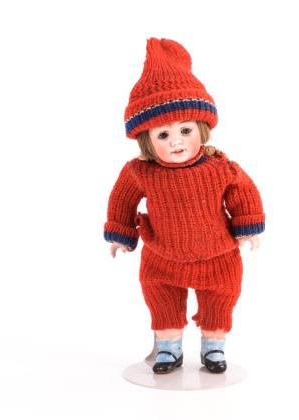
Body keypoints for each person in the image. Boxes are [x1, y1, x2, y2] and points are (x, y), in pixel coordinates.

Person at [104, 38, 265, 374]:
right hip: (162, 257)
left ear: (202, 129)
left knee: (220, 301)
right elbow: (122, 198)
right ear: (147, 140)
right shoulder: (140, 172)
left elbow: (243, 191)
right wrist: (121, 233)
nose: (176, 141)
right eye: (162, 135)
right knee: (161, 301)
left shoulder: (220, 166)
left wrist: (247, 226)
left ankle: (213, 348)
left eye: (186, 130)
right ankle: (168, 348)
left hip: (218, 255)